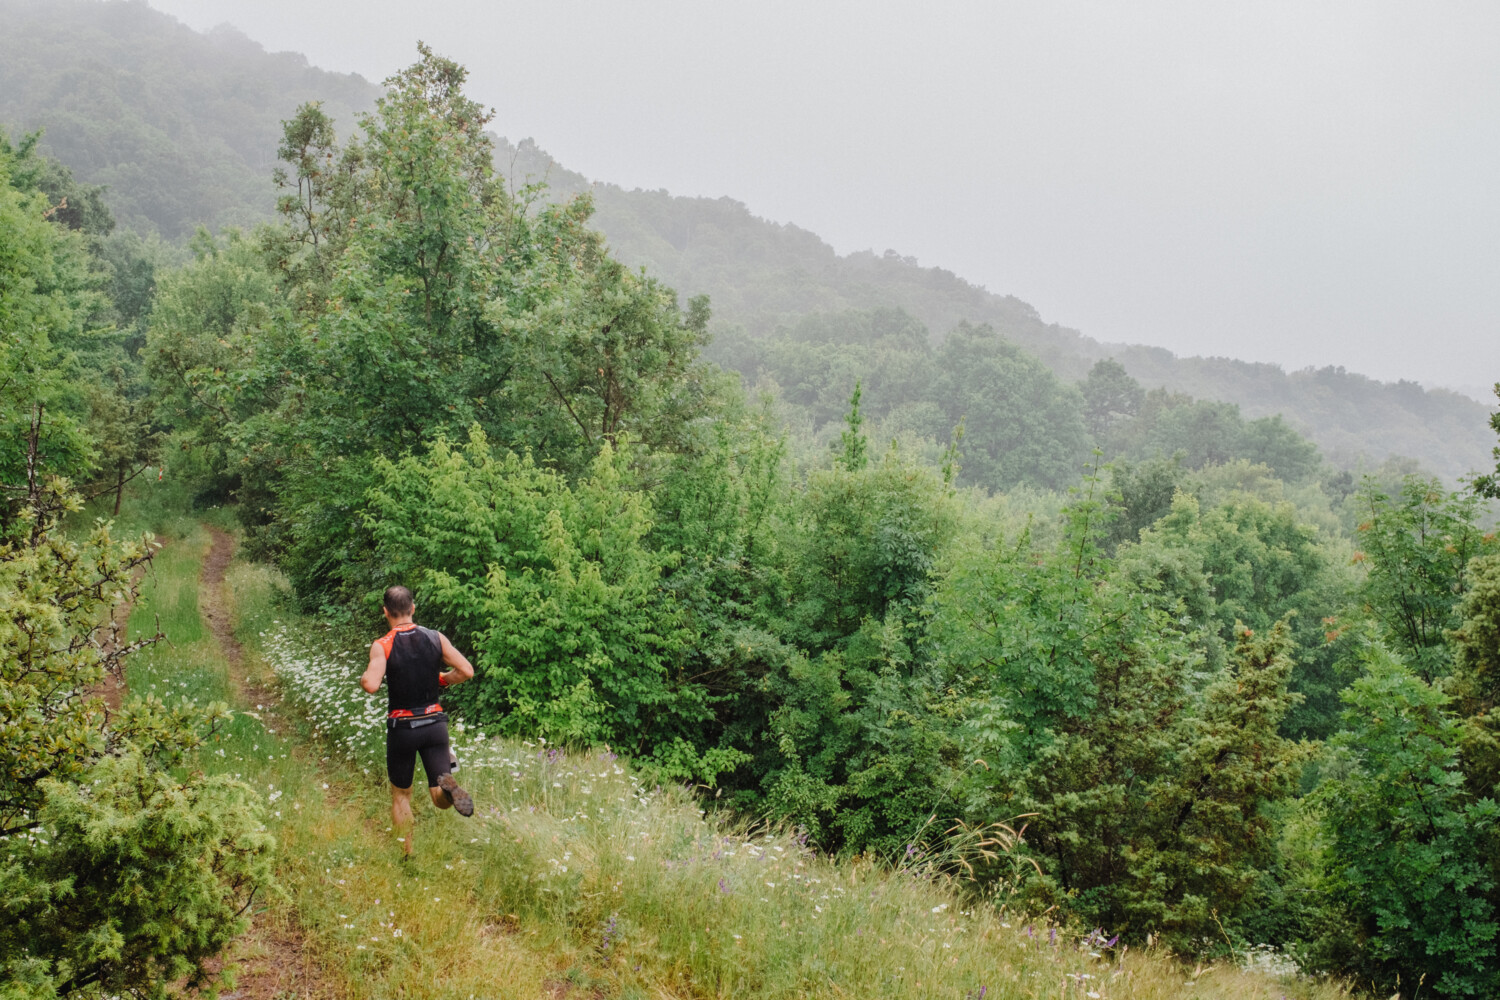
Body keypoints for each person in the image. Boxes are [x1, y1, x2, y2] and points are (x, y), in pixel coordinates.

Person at [360, 585, 476, 856]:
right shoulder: (436, 638)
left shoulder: (383, 645)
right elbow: (466, 670)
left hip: (403, 729)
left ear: (385, 612)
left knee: (401, 795)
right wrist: (443, 680)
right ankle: (450, 790)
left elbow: (372, 685)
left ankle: (407, 855)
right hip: (435, 725)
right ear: (413, 608)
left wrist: (364, 677)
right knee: (437, 794)